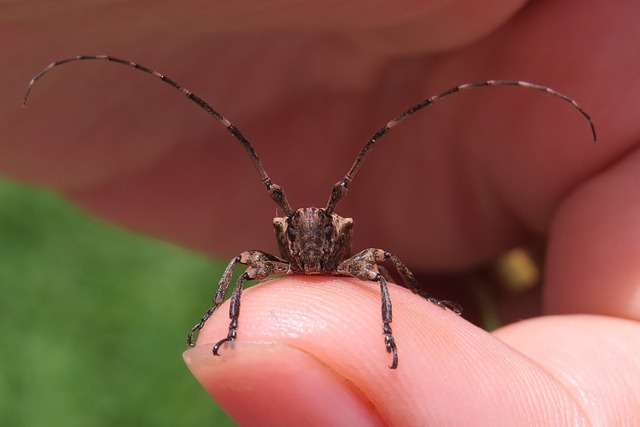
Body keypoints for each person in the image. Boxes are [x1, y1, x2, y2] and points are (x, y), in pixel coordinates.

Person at [3, 0, 639, 424]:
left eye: (321, 228)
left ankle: (410, 321)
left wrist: (394, 324)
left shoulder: (354, 257)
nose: (305, 237)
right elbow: (242, 265)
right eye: (291, 228)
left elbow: (383, 268)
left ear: (334, 231)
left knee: (384, 271)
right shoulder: (267, 253)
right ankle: (220, 322)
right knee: (248, 270)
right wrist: (219, 313)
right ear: (285, 229)